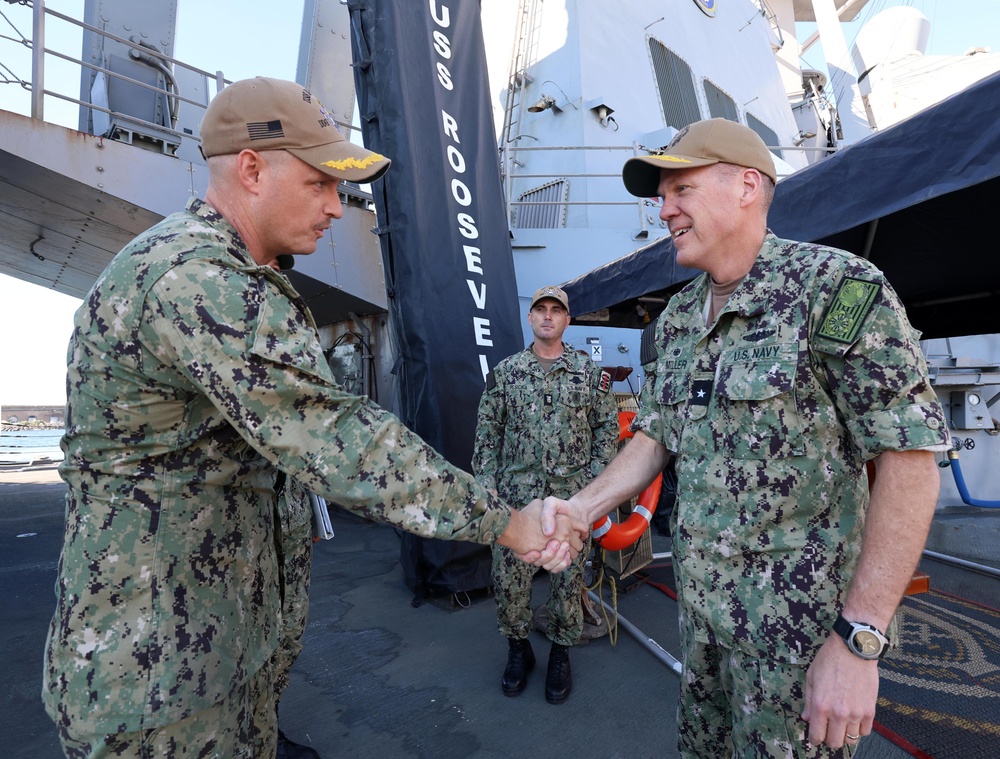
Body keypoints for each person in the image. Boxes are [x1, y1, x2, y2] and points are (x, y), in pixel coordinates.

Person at [42, 76, 586, 758]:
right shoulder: (195, 277)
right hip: (157, 684)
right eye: (319, 182)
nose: (337, 206)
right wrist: (509, 523)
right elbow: (340, 440)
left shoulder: (233, 270)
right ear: (250, 168)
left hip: (214, 653)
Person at [538, 118, 949, 755]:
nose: (663, 209)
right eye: (661, 195)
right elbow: (656, 435)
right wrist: (584, 508)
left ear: (747, 186)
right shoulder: (677, 319)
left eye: (681, 190)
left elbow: (909, 459)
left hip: (799, 640)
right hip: (702, 618)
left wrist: (859, 638)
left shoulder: (834, 288)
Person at [473, 285, 618, 704]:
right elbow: (487, 434)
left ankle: (560, 653)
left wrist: (592, 490)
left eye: (557, 310)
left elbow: (607, 429)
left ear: (567, 321)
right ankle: (519, 651)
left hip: (570, 503)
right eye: (541, 310)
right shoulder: (506, 373)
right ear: (531, 318)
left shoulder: (589, 375)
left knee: (568, 583)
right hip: (516, 504)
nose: (548, 316)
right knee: (509, 584)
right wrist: (489, 491)